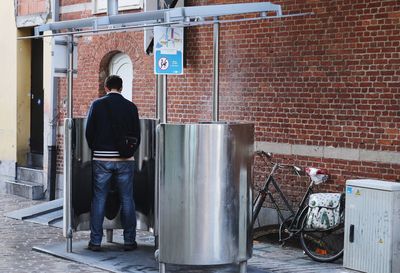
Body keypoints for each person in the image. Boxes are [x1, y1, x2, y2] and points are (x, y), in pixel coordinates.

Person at [85, 75, 141, 251]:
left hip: (102, 159)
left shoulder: (97, 105)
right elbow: (137, 134)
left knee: (99, 198)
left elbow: (89, 132)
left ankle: (95, 242)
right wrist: (128, 151)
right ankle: (129, 241)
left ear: (106, 87)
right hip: (125, 160)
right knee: (127, 199)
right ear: (121, 88)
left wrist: (96, 148)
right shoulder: (131, 107)